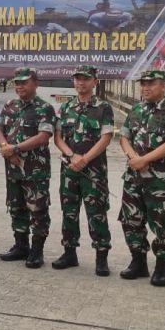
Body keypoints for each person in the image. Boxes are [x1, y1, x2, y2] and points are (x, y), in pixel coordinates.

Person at [118, 69, 165, 286]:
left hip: (159, 180)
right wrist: (133, 157)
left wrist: (145, 159)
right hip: (133, 177)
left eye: (151, 84)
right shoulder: (136, 109)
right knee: (131, 219)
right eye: (143, 84)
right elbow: (124, 137)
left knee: (161, 223)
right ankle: (138, 262)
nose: (145, 88)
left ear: (163, 86)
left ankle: (162, 267)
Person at [52, 65, 114, 276]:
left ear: (94, 82)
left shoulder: (103, 107)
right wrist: (71, 156)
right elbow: (58, 137)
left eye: (86, 79)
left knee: (96, 213)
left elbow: (106, 138)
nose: (81, 82)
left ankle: (101, 257)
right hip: (69, 169)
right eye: (77, 79)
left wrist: (85, 159)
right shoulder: (66, 107)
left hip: (94, 171)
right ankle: (69, 253)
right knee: (69, 212)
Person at [0, 67, 57, 269]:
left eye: (24, 82)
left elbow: (43, 136)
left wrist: (14, 148)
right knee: (16, 207)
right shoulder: (10, 105)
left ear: (36, 83)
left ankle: (37, 251)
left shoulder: (44, 108)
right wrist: (6, 147)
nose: (19, 86)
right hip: (13, 169)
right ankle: (20, 246)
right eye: (17, 82)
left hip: (34, 170)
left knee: (37, 210)